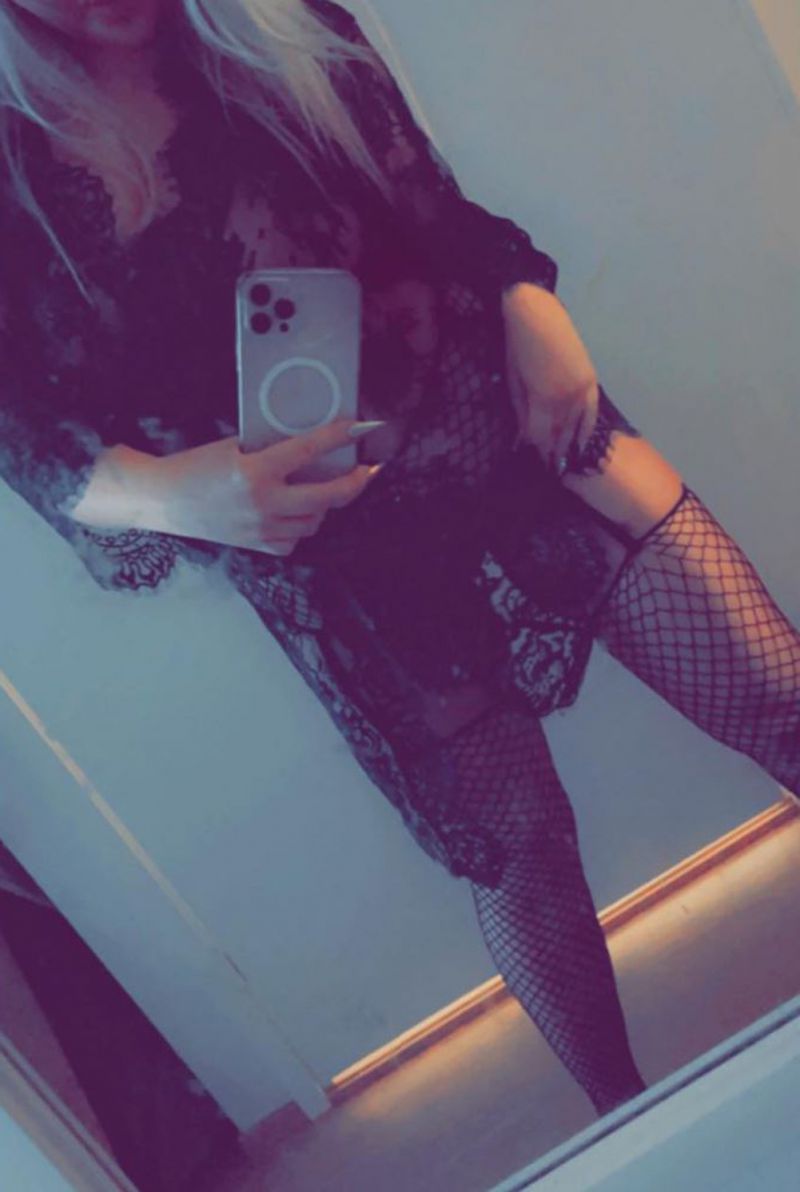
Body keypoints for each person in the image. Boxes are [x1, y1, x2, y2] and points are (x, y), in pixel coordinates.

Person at [0, 0, 798, 1121]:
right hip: (338, 555)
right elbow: (19, 423)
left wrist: (527, 297)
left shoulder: (282, 25)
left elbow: (424, 205)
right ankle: (632, 1123)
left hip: (506, 422)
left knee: (772, 689)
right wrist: (164, 491)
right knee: (523, 855)